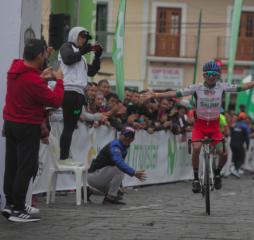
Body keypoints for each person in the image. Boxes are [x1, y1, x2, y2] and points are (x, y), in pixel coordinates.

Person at [143, 60, 254, 193]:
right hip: (200, 125)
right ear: (204, 75)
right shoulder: (196, 88)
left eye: (214, 74)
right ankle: (195, 178)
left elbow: (242, 87)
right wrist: (156, 95)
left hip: (214, 126)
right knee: (197, 147)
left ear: (218, 76)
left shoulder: (222, 86)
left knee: (223, 153)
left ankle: (217, 173)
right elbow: (176, 93)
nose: (211, 76)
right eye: (208, 74)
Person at [1, 39, 64, 222]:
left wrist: (41, 76)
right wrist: (58, 81)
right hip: (26, 126)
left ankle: (10, 204)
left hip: (10, 123)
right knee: (26, 168)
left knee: (12, 166)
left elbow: (30, 79)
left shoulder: (16, 66)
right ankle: (18, 209)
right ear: (39, 56)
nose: (47, 55)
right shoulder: (33, 81)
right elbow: (55, 101)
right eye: (45, 53)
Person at [58, 26, 102, 165]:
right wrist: (85, 50)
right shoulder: (66, 47)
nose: (83, 40)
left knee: (70, 126)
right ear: (74, 36)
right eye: (81, 37)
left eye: (85, 38)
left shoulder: (81, 57)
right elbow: (68, 59)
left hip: (78, 95)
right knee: (68, 126)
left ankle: (65, 156)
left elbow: (92, 72)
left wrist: (97, 56)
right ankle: (63, 157)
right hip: (69, 92)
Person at [87, 126, 146, 205]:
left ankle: (88, 191)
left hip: (100, 176)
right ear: (120, 135)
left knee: (118, 193)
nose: (127, 138)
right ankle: (109, 199)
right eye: (126, 136)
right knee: (120, 169)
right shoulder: (115, 146)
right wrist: (133, 173)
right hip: (94, 175)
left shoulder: (123, 147)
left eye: (130, 137)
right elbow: (119, 163)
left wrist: (120, 186)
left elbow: (117, 166)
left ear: (133, 139)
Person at [229, 112, 250, 178]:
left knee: (235, 157)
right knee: (241, 158)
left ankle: (235, 170)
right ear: (244, 119)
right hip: (239, 145)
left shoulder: (234, 125)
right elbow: (247, 137)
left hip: (232, 144)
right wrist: (248, 145)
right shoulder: (245, 126)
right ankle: (235, 169)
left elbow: (231, 134)